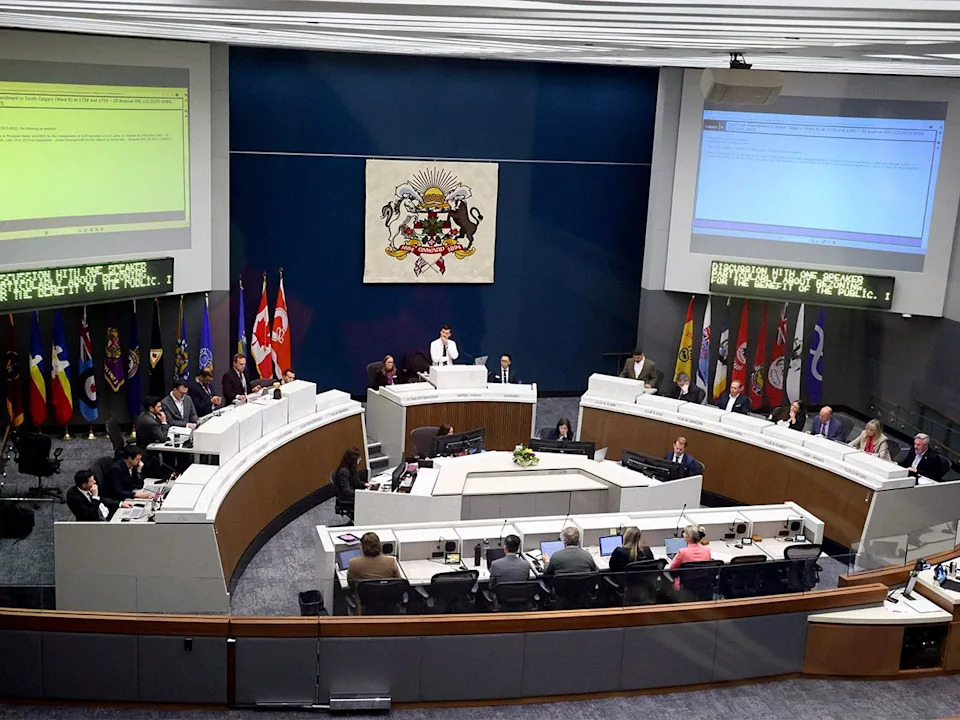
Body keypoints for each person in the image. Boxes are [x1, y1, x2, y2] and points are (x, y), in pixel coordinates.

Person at [135, 396, 176, 479]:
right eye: (158, 407)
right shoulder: (149, 422)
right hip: (147, 454)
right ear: (151, 408)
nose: (161, 409)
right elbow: (163, 438)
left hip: (146, 447)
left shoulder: (146, 415)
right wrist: (164, 422)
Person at [66, 470, 131, 521]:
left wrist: (120, 503)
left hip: (105, 514)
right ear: (84, 485)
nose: (94, 482)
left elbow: (102, 499)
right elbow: (90, 514)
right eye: (91, 481)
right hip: (94, 523)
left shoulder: (89, 488)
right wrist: (95, 496)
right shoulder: (74, 496)